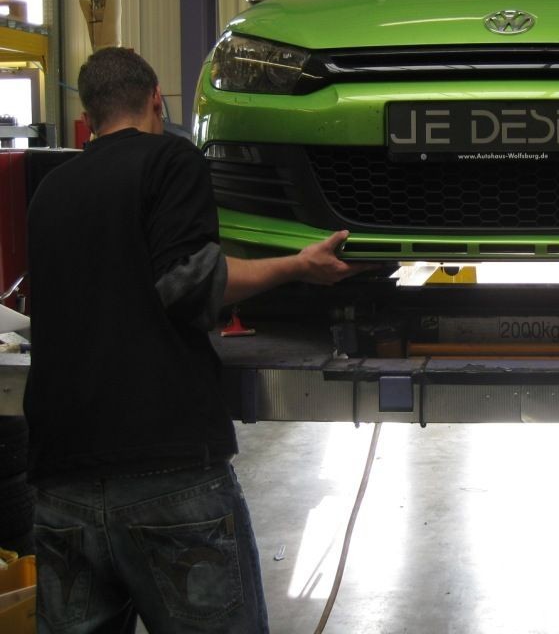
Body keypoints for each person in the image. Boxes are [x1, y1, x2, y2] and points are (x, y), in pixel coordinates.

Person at [23, 47, 371, 633]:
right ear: (156, 100)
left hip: (60, 483)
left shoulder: (49, 191)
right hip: (165, 469)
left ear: (89, 115)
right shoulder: (169, 159)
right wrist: (298, 266)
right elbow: (187, 282)